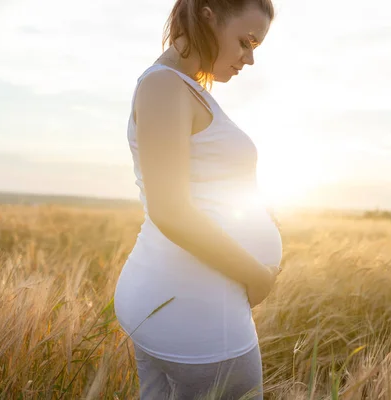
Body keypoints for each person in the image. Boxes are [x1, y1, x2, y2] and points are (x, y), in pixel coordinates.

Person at [113, 0, 283, 399]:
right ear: (208, 13)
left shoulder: (184, 87)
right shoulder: (163, 85)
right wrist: (256, 275)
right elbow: (170, 211)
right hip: (192, 309)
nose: (250, 58)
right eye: (246, 41)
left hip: (184, 301)